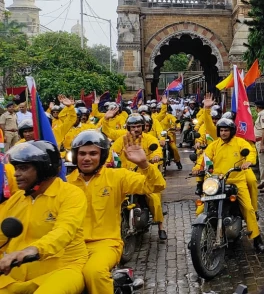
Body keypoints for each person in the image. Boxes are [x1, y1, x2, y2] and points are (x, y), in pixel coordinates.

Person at [67, 129, 166, 293]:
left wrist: (143, 164)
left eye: (93, 153)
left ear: (102, 156)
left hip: (106, 244)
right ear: (75, 155)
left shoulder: (117, 177)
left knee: (94, 272)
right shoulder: (66, 183)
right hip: (72, 247)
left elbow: (156, 186)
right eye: (82, 153)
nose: (86, 158)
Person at [0, 141, 88, 293]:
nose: (16, 174)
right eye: (16, 168)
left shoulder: (71, 194)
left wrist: (31, 250)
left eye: (24, 168)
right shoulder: (16, 199)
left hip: (62, 270)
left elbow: (64, 231)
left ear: (43, 169)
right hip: (16, 275)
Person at [192, 117, 264, 253]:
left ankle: (256, 239)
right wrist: (198, 167)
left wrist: (248, 162)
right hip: (217, 181)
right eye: (221, 130)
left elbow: (250, 152)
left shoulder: (240, 142)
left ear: (231, 131)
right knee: (201, 207)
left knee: (248, 209)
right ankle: (197, 238)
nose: (223, 133)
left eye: (226, 130)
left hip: (237, 181)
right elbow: (205, 158)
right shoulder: (214, 145)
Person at [102, 109, 167, 240]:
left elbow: (157, 151)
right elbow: (111, 154)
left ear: (143, 127)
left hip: (143, 176)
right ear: (128, 127)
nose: (136, 129)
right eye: (133, 126)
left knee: (154, 199)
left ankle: (161, 226)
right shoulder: (121, 140)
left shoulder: (150, 139)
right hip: (125, 176)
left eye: (138, 126)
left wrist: (155, 157)